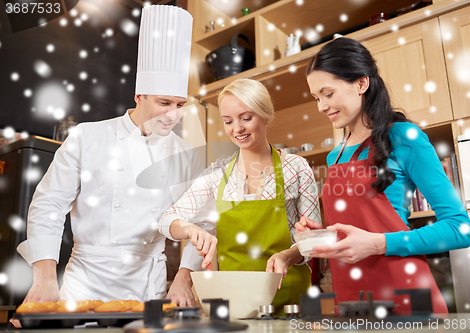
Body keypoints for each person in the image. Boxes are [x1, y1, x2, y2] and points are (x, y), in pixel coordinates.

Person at [17, 5, 215, 305]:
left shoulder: (185, 154)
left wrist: (184, 278)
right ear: (139, 97)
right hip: (85, 284)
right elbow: (49, 205)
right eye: (164, 103)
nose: (173, 115)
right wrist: (44, 278)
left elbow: (203, 223)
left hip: (148, 286)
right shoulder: (87, 136)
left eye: (179, 105)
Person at [296, 37, 470, 314]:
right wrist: (319, 235)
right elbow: (353, 231)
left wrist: (378, 244)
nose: (321, 106)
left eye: (328, 94)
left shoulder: (404, 138)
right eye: (316, 98)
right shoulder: (336, 156)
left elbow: (460, 229)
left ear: (361, 83)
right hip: (355, 302)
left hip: (405, 298)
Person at [159, 79, 321, 314]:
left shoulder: (296, 167)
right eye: (228, 121)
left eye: (246, 118)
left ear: (266, 116)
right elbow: (167, 219)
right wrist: (190, 230)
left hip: (289, 299)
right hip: (234, 303)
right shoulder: (217, 174)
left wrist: (288, 255)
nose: (237, 129)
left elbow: (314, 240)